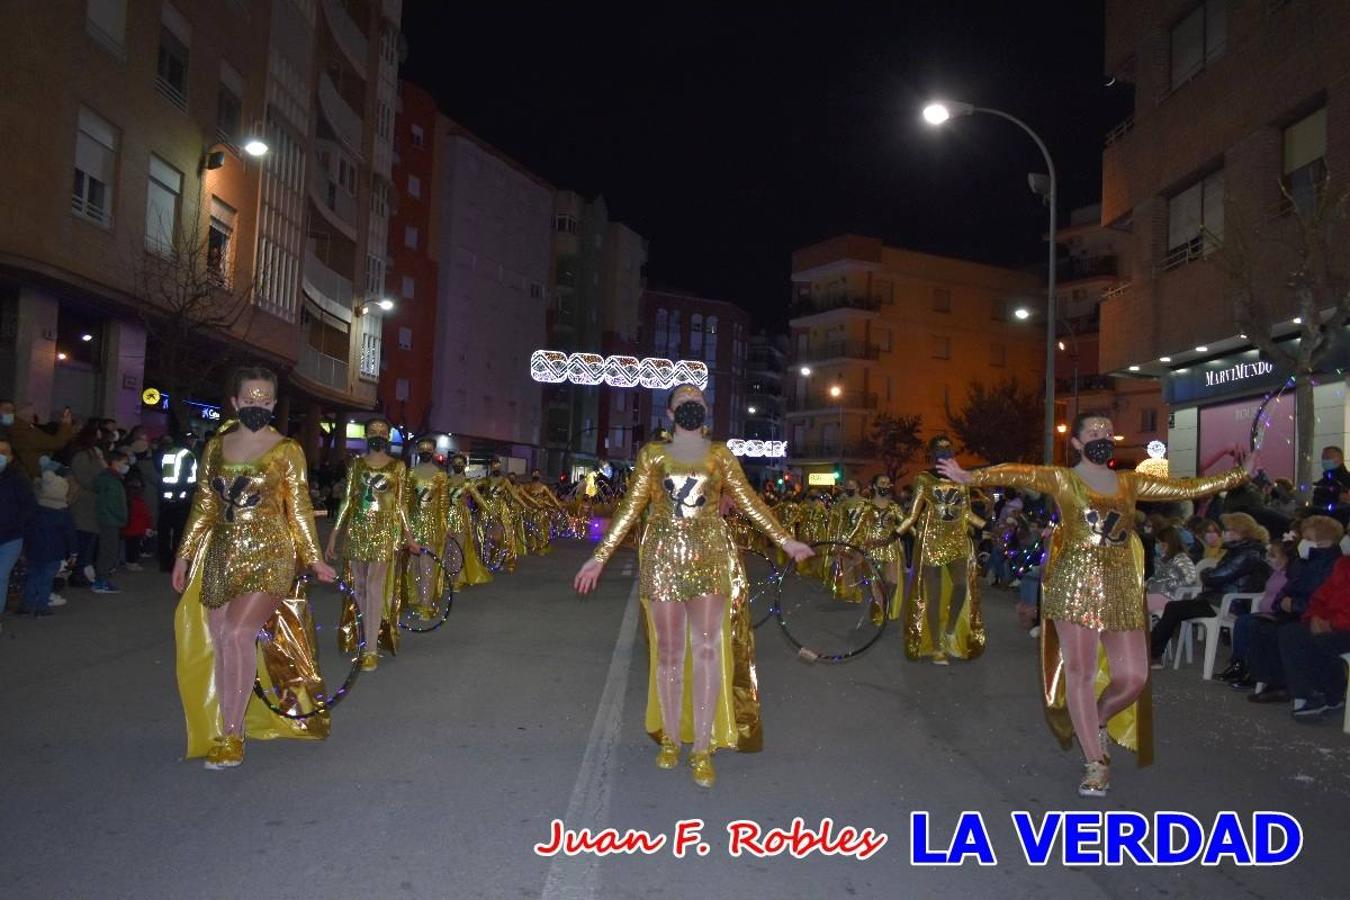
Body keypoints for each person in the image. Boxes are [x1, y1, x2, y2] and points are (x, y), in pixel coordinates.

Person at [939, 414, 1253, 797]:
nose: (1102, 437)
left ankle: (1095, 721)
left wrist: (1237, 475)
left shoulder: (1130, 481)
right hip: (1074, 585)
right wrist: (972, 477)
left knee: (1134, 677)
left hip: (1121, 587)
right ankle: (1094, 761)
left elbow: (1185, 488)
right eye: (1093, 432)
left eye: (1107, 432)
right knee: (1081, 673)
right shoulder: (1062, 478)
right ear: (1076, 442)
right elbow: (1019, 473)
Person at [573, 384, 813, 788]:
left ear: (707, 411)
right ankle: (670, 737)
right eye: (683, 403)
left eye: (697, 403)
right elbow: (631, 506)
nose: (690, 408)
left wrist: (785, 540)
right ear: (669, 413)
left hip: (710, 558)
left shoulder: (720, 455)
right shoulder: (653, 455)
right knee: (667, 654)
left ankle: (702, 747)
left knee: (706, 651)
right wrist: (599, 557)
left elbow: (750, 500)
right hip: (663, 558)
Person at [172, 367, 336, 769]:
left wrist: (313, 558)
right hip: (222, 555)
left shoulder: (287, 450)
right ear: (234, 402)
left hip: (270, 554)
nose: (257, 406)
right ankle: (231, 720)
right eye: (250, 399)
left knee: (237, 633)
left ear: (274, 405)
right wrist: (184, 553)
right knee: (221, 640)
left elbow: (298, 508)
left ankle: (232, 736)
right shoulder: (216, 447)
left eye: (264, 401)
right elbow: (205, 505)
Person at [325, 417, 414, 670]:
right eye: (373, 431)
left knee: (375, 587)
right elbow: (346, 501)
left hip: (384, 530)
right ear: (366, 435)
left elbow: (401, 503)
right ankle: (364, 636)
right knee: (361, 588)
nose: (378, 434)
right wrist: (334, 533)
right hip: (357, 529)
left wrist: (409, 535)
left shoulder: (398, 467)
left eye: (383, 431)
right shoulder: (356, 465)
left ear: (388, 436)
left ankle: (372, 649)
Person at [898, 435, 986, 665]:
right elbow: (914, 513)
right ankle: (936, 646)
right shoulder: (924, 479)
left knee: (960, 585)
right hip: (932, 541)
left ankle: (949, 629)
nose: (945, 453)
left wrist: (987, 526)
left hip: (957, 538)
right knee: (933, 596)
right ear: (933, 454)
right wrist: (897, 532)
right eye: (940, 450)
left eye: (949, 449)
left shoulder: (961, 479)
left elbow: (965, 511)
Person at [1149, 512, 1270, 666]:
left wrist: (1206, 574)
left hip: (1227, 603)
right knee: (1174, 608)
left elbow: (1216, 576)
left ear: (1240, 532)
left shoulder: (1246, 554)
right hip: (1218, 598)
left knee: (1174, 608)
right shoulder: (1241, 551)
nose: (1224, 533)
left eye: (1228, 529)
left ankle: (1152, 653)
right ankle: (1153, 652)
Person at [1245, 515, 1344, 704]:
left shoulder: (1331, 565)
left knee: (1283, 632)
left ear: (1324, 541)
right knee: (1259, 625)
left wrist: (1296, 606)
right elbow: (1288, 587)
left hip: (1308, 613)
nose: (1303, 543)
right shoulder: (1305, 561)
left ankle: (1287, 685)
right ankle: (1271, 680)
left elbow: (1324, 599)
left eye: (1308, 538)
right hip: (1298, 609)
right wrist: (1282, 602)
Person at [1276, 553, 1350, 720]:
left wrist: (1331, 624)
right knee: (1291, 634)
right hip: (1333, 623)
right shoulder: (1344, 564)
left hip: (1341, 626)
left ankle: (1333, 696)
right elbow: (1321, 597)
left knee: (1323, 643)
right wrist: (1314, 617)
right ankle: (1312, 694)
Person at [1221, 536, 1293, 686]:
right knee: (1243, 622)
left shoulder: (1290, 575)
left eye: (1273, 555)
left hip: (1277, 614)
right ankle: (1239, 663)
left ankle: (1251, 670)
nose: (1269, 558)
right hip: (1267, 612)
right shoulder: (1275, 572)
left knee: (1250, 625)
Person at [19, 467, 76, 615]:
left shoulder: (34, 511)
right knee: (46, 580)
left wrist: (24, 550)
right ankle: (42, 607)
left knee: (32, 578)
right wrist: (73, 552)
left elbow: (26, 531)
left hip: (33, 551)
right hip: (54, 553)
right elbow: (70, 535)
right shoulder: (63, 514)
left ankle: (27, 605)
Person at [405, 436, 450, 616]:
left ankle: (426, 603)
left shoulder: (441, 475)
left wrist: (445, 527)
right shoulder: (411, 473)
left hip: (432, 525)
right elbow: (406, 502)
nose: (425, 452)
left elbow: (443, 504)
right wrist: (404, 528)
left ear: (434, 451)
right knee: (413, 565)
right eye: (422, 449)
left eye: (429, 449)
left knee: (428, 566)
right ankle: (415, 599)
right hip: (413, 525)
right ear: (417, 450)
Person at [852, 474, 908, 619]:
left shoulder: (894, 507)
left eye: (888, 483)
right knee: (875, 581)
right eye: (882, 482)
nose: (885, 485)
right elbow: (857, 527)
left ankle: (884, 602)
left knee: (893, 582)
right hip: (872, 546)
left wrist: (920, 535)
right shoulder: (866, 506)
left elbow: (905, 524)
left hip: (890, 546)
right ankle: (878, 610)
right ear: (875, 486)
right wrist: (849, 544)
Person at [0, 437, 38, 628]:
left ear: (11, 456)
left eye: (4, 452)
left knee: (1, 576)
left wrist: (17, 525)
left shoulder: (17, 478)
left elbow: (29, 507)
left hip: (10, 536)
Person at [446, 453, 494, 588]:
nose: (458, 466)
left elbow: (478, 498)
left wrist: (490, 511)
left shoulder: (467, 483)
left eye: (460, 463)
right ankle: (447, 577)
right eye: (455, 463)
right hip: (446, 517)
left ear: (465, 466)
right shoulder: (446, 481)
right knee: (447, 549)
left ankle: (457, 579)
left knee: (458, 549)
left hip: (461, 517)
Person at [67, 425, 105, 587]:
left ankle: (81, 571)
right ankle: (77, 573)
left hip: (92, 503)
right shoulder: (82, 456)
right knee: (83, 539)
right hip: (83, 503)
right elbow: (85, 478)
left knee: (88, 539)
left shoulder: (94, 455)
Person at [92, 448, 131, 594]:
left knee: (108, 550)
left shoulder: (110, 478)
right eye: (124, 462)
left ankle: (102, 579)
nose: (126, 466)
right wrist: (121, 516)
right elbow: (113, 502)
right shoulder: (111, 480)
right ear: (115, 462)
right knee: (108, 551)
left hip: (109, 518)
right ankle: (101, 581)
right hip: (110, 519)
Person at [157, 433, 198, 571]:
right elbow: (188, 478)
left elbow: (162, 472)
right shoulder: (187, 455)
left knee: (164, 530)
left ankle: (164, 561)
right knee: (180, 533)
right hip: (182, 497)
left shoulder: (168, 453)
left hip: (165, 497)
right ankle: (176, 563)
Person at [5, 402, 76, 478]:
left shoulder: (21, 427)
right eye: (30, 411)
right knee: (72, 477)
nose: (32, 414)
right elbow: (56, 443)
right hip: (36, 471)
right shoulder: (21, 430)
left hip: (38, 468)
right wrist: (65, 424)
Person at [1144, 526, 1199, 616]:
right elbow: (1157, 577)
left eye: (1160, 543)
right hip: (1163, 596)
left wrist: (1163, 585)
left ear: (1169, 543)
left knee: (1138, 605)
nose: (1158, 546)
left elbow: (1189, 580)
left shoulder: (1182, 560)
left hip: (1174, 600)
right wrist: (1147, 584)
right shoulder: (1165, 559)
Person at [1310, 445, 1350, 514]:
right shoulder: (1321, 483)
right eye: (1323, 458)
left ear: (1339, 460)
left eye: (1328, 458)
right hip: (1324, 522)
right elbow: (1317, 504)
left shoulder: (1347, 479)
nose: (1324, 461)